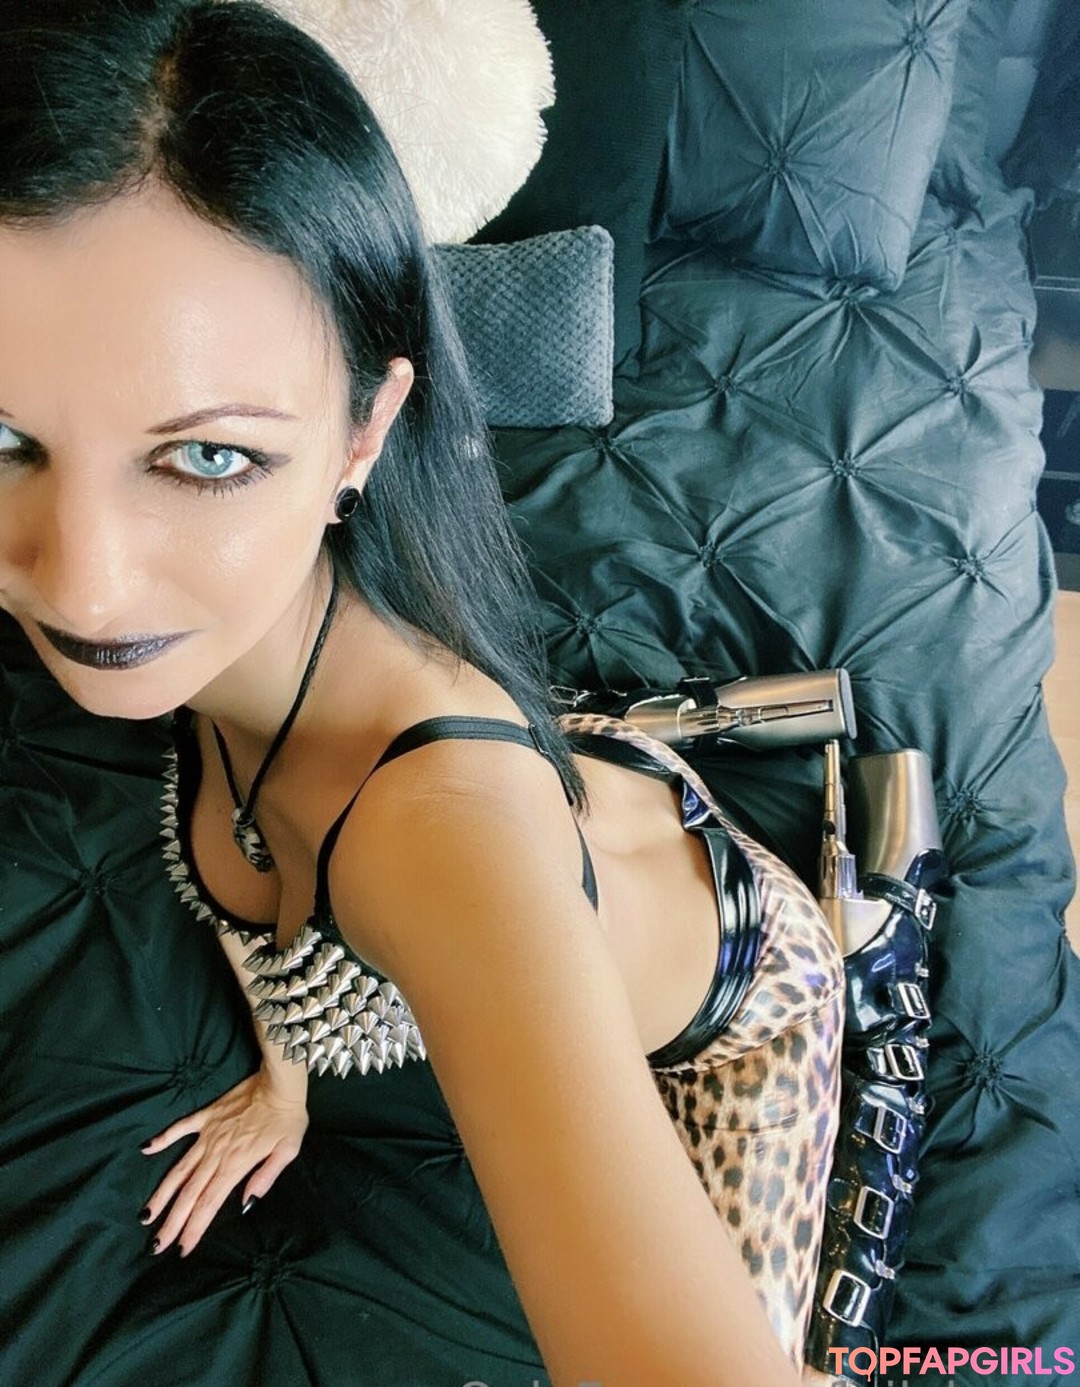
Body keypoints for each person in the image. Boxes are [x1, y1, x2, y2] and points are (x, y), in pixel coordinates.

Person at [0, 3, 844, 1384]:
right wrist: (286, 1083)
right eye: (4, 438)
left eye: (209, 459)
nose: (83, 591)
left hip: (748, 1013)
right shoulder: (219, 631)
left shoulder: (445, 839)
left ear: (367, 431)